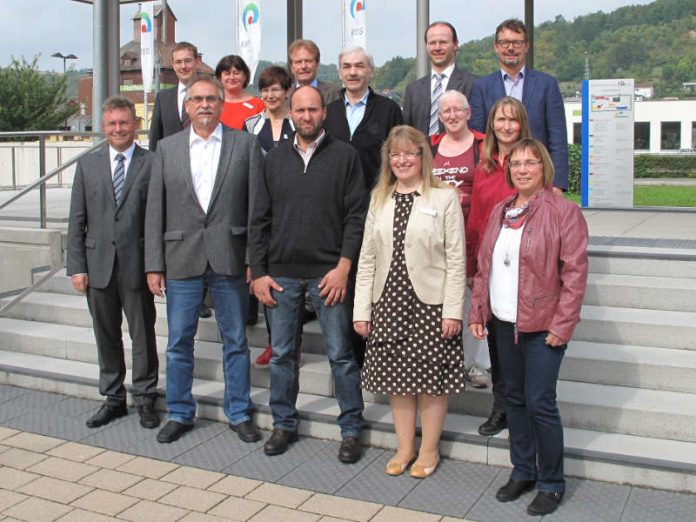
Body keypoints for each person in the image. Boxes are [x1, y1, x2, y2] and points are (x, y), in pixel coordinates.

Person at [469, 138, 588, 516]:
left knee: (540, 403)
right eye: (516, 163)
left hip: (542, 327)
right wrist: (479, 310)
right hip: (503, 323)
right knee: (514, 401)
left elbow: (575, 274)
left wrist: (562, 324)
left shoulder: (563, 212)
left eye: (530, 163)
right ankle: (522, 470)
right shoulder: (502, 209)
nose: (522, 169)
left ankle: (551, 482)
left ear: (544, 168)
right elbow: (485, 266)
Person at [249, 86, 367, 463]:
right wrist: (259, 273)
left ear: (324, 113)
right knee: (282, 354)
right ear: (291, 112)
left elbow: (356, 218)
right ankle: (284, 423)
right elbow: (259, 219)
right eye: (299, 109)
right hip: (281, 275)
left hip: (328, 274)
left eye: (312, 109)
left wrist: (344, 268)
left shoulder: (345, 156)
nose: (306, 116)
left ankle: (351, 429)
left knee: (342, 356)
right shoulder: (275, 158)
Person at [144, 74, 264, 444]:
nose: (205, 105)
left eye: (211, 99)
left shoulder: (245, 146)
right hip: (181, 258)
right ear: (187, 106)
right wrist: (153, 264)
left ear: (221, 103)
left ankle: (239, 411)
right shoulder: (167, 148)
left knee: (236, 341)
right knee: (179, 341)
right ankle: (180, 411)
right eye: (197, 99)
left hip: (230, 257)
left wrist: (253, 260)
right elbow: (155, 210)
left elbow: (256, 208)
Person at [353, 125, 466, 479]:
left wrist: (453, 310)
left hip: (430, 304)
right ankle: (405, 448)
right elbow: (367, 258)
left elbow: (456, 259)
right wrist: (361, 309)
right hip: (388, 301)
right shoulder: (379, 198)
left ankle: (429, 450)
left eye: (409, 154)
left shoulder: (443, 197)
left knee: (430, 381)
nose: (402, 160)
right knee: (398, 381)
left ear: (422, 157)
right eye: (395, 154)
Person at [67, 96, 159, 430]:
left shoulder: (152, 163)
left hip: (137, 265)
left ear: (135, 124)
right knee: (106, 335)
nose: (118, 129)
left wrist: (155, 266)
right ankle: (114, 399)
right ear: (103, 127)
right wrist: (77, 266)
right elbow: (76, 220)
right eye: (112, 123)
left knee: (142, 336)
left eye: (124, 122)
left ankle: (147, 397)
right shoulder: (87, 165)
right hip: (98, 265)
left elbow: (156, 220)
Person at [467, 96, 531, 437]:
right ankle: (501, 407)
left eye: (513, 120)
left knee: (520, 346)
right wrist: (474, 263)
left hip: (522, 267)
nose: (506, 126)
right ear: (491, 124)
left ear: (522, 124)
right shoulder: (485, 165)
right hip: (489, 267)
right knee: (497, 345)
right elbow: (477, 218)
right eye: (500, 120)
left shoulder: (529, 162)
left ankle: (521, 409)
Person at [429, 90, 489, 389]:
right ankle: (447, 361)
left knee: (472, 302)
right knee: (444, 301)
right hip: (438, 239)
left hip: (473, 232)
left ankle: (475, 364)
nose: (452, 115)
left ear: (468, 113)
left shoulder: (482, 145)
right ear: (439, 117)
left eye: (457, 110)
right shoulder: (430, 146)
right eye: (446, 111)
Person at [469, 18, 569, 191]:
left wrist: (558, 185)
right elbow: (478, 138)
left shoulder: (547, 85)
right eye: (505, 42)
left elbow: (558, 139)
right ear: (496, 47)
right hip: (495, 177)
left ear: (526, 46)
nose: (510, 48)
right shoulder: (481, 87)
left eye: (517, 42)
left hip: (537, 178)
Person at [325, 45, 403, 190]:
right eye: (346, 67)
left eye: (359, 66)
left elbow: (400, 154)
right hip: (335, 198)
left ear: (371, 72)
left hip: (378, 197)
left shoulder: (389, 110)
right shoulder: (328, 112)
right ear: (340, 73)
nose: (352, 72)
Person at [402, 22, 477, 136]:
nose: (437, 48)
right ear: (426, 46)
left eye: (443, 42)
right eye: (432, 43)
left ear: (455, 44)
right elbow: (407, 134)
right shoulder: (413, 90)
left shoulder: (474, 84)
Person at [149, 41, 200, 152]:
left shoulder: (210, 96)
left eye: (187, 61)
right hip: (171, 165)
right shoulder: (162, 99)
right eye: (178, 62)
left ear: (197, 62)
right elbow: (155, 138)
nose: (183, 66)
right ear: (173, 65)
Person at [215, 55, 265, 130]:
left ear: (245, 76)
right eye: (227, 74)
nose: (232, 77)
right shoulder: (212, 104)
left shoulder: (258, 105)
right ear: (220, 78)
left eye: (236, 73)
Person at [287, 39, 341, 105]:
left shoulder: (334, 93)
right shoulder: (285, 94)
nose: (303, 66)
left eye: (308, 61)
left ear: (317, 64)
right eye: (298, 62)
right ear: (291, 68)